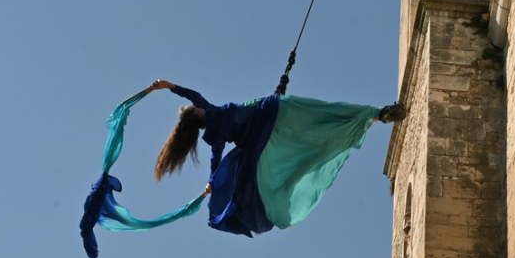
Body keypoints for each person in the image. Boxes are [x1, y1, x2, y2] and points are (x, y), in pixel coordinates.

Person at [148, 79, 405, 237]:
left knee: (315, 134)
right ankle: (375, 113)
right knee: (322, 112)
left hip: (266, 136)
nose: (201, 106)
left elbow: (216, 164)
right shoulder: (213, 112)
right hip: (274, 110)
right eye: (199, 109)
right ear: (199, 114)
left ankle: (374, 117)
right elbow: (194, 95)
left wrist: (213, 185)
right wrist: (170, 87)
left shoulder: (215, 137)